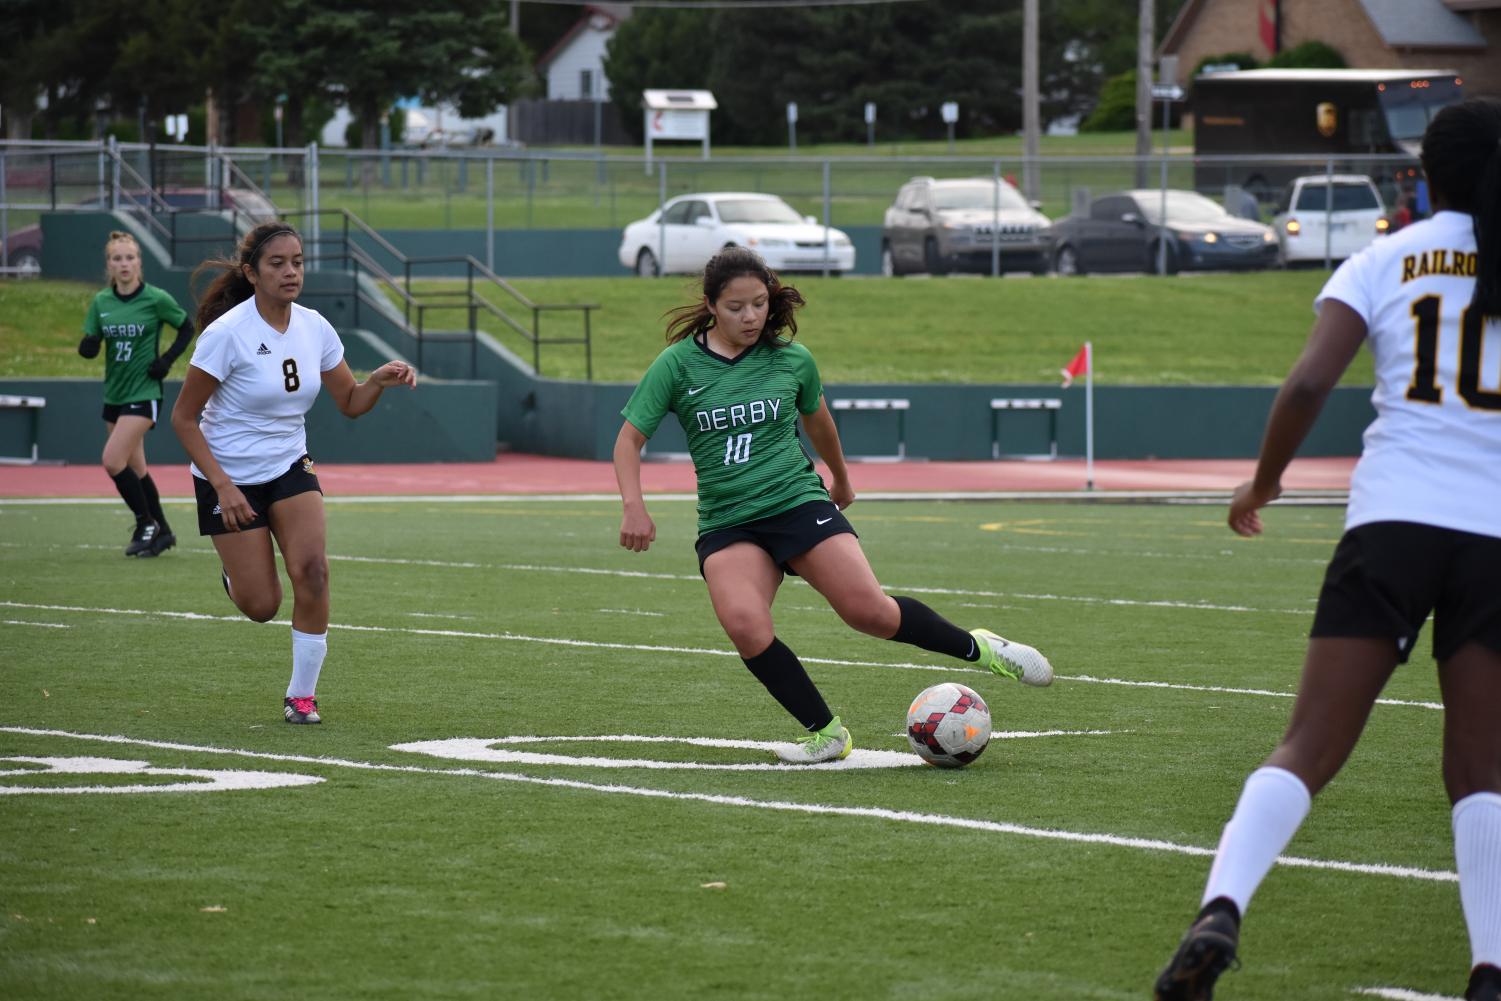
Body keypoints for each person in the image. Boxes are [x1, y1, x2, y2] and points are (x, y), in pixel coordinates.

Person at [1154, 97, 1501, 1001]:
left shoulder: (1386, 257)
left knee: (1307, 743)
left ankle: (1220, 906)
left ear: (1422, 172)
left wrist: (1262, 483)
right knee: (1479, 769)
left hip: (1392, 524)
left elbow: (1310, 379)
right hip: (1495, 540)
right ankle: (1489, 966)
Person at [613, 247, 1053, 765]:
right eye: (736, 307)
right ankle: (826, 733)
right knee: (745, 625)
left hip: (797, 503)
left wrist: (840, 477)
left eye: (759, 303)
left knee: (870, 614)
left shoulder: (792, 360)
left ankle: (982, 649)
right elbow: (628, 440)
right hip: (729, 521)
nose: (750, 316)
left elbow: (818, 421)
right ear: (711, 306)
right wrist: (633, 506)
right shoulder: (678, 364)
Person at [171, 222, 416, 725]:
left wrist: (377, 381)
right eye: (277, 263)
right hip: (228, 476)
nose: (290, 272)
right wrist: (223, 485)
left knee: (314, 571)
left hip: (289, 465)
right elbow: (183, 418)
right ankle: (236, 577)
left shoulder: (314, 326)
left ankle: (301, 696)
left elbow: (349, 401)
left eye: (298, 262)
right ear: (251, 273)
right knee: (262, 605)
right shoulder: (227, 334)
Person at [77, 231, 195, 557]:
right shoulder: (102, 302)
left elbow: (187, 327)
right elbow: (91, 341)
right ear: (109, 266)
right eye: (117, 259)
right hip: (114, 394)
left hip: (144, 392)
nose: (124, 264)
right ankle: (164, 532)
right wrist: (88, 346)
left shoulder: (155, 298)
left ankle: (145, 522)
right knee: (137, 469)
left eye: (130, 257)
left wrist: (166, 361)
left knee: (112, 460)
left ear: (139, 263)